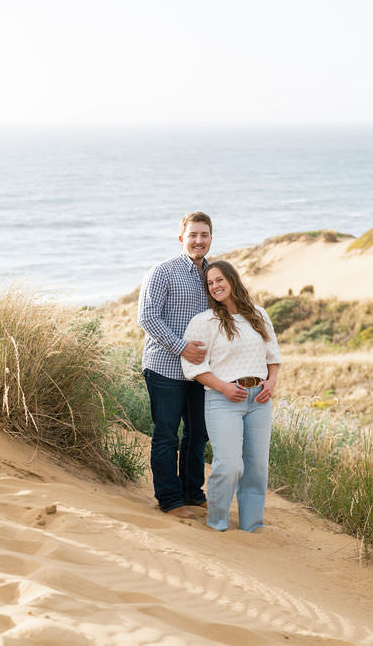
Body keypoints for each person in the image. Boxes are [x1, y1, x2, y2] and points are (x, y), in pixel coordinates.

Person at [180, 260, 281, 532]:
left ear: (232, 280)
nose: (215, 286)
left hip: (259, 400)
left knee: (257, 467)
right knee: (229, 466)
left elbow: (273, 356)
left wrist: (271, 383)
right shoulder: (204, 322)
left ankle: (251, 525)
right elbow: (193, 367)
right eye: (210, 283)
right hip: (223, 400)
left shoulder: (258, 314)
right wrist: (223, 387)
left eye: (219, 280)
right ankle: (217, 523)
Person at [137, 211, 213, 519]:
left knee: (197, 433)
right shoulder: (162, 271)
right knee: (167, 433)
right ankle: (169, 498)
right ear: (182, 238)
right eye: (193, 235)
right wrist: (182, 348)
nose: (198, 240)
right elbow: (147, 317)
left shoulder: (214, 274)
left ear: (211, 238)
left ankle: (192, 492)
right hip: (165, 367)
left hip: (201, 371)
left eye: (204, 235)